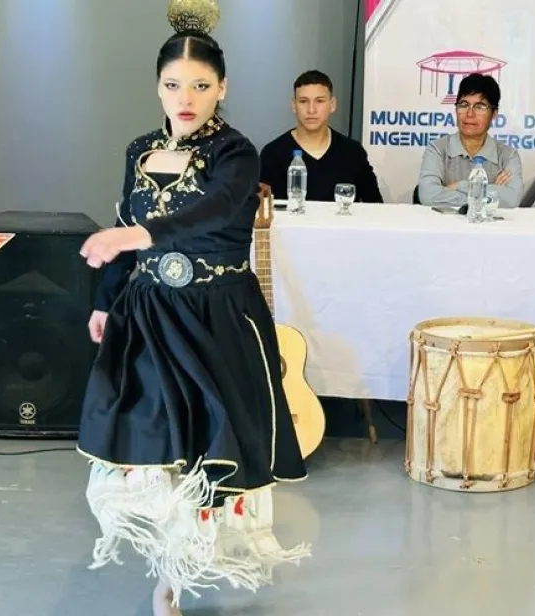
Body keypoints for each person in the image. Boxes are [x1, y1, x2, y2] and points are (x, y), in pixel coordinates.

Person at [76, 4, 309, 615]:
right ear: (157, 86)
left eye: (201, 86)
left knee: (210, 446)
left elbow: (213, 213)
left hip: (216, 318)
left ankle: (190, 562)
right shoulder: (139, 149)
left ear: (222, 88)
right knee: (156, 445)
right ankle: (167, 572)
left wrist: (134, 237)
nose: (187, 97)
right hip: (149, 315)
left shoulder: (238, 154)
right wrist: (106, 301)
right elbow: (128, 219)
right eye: (174, 85)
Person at [259, 69, 383, 203]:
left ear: (332, 104)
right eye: (303, 101)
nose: (311, 110)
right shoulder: (272, 154)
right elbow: (261, 210)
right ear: (294, 105)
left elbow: (376, 206)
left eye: (319, 101)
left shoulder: (352, 152)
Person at [416, 73, 523, 209]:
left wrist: (459, 186)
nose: (470, 114)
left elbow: (512, 199)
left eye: (479, 106)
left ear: (494, 114)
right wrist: (491, 193)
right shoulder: (437, 149)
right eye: (464, 105)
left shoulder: (507, 156)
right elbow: (428, 195)